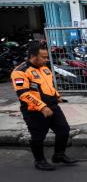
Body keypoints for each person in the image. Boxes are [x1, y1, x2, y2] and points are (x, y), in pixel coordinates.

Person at [11, 41, 77, 171]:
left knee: (64, 130)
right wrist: (42, 107)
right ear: (33, 56)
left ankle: (59, 155)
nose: (47, 60)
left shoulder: (45, 68)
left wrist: (57, 96)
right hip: (34, 110)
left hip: (52, 106)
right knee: (38, 137)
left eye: (47, 57)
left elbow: (49, 86)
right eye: (44, 57)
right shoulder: (20, 72)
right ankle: (39, 161)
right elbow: (23, 94)